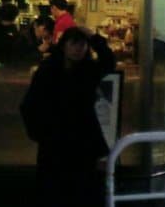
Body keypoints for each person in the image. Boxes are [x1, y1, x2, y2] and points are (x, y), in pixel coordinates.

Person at [20, 27, 117, 206]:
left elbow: (108, 61)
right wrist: (40, 133)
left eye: (83, 45)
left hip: (81, 138)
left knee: (81, 187)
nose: (78, 49)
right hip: (57, 138)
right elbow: (30, 105)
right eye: (74, 44)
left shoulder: (88, 69)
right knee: (56, 188)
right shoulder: (48, 71)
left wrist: (93, 37)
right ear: (64, 46)